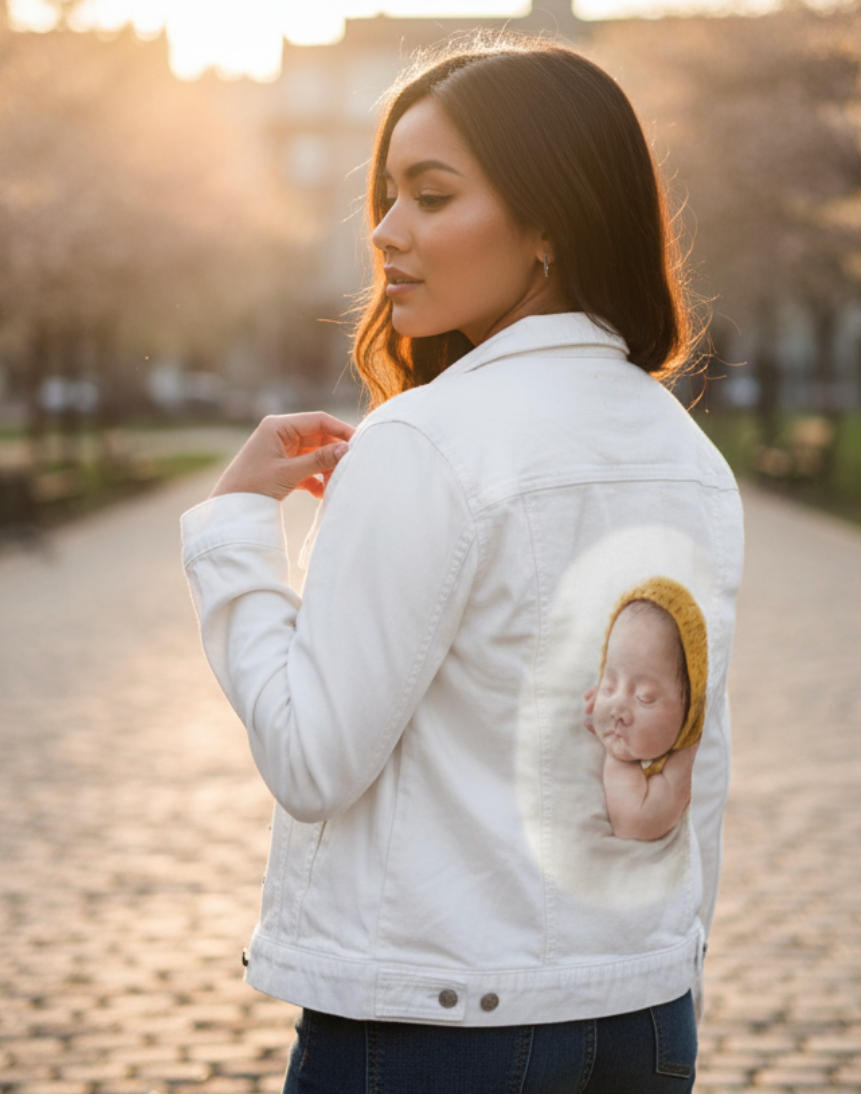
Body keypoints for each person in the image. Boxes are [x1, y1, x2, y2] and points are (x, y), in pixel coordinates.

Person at [182, 34, 743, 1094]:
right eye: (387, 196)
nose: (386, 233)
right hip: (640, 1015)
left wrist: (233, 535)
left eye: (430, 196)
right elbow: (688, 767)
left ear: (548, 225)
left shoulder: (430, 439)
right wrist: (672, 984)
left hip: (438, 1029)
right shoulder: (688, 453)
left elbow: (312, 761)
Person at [584, 578, 709, 842]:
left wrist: (688, 748)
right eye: (609, 686)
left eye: (645, 698)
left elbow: (638, 821)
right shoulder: (617, 749)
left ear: (690, 711)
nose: (617, 708)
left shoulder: (688, 752)